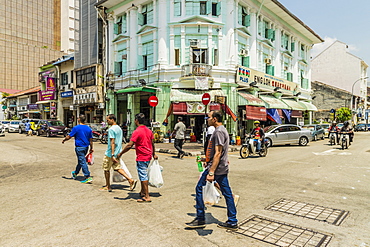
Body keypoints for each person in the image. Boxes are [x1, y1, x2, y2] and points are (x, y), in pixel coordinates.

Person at [186, 110, 238, 230]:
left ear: (214, 119)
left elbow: (218, 153)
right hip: (220, 167)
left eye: (208, 117)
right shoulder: (220, 130)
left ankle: (200, 219)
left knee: (199, 188)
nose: (206, 119)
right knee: (228, 194)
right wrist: (206, 158)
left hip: (217, 168)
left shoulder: (219, 132)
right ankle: (232, 221)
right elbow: (217, 152)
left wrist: (211, 172)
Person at [118, 113, 158, 203]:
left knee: (143, 176)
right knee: (143, 174)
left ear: (136, 121)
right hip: (148, 156)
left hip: (142, 156)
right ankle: (143, 192)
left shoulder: (137, 131)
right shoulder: (149, 131)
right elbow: (152, 143)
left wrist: (121, 153)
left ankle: (146, 196)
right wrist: (153, 154)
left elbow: (129, 145)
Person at [100, 114, 137, 192]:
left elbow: (112, 142)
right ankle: (130, 180)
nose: (107, 122)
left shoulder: (111, 129)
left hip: (110, 153)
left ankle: (108, 186)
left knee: (106, 169)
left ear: (112, 119)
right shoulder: (119, 128)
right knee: (117, 167)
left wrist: (112, 154)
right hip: (118, 152)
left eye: (108, 120)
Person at [62, 114, 94, 184]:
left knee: (82, 161)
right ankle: (75, 173)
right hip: (86, 147)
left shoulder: (76, 128)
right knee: (81, 160)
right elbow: (91, 139)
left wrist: (64, 140)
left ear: (79, 119)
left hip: (79, 147)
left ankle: (87, 176)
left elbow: (69, 136)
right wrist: (91, 148)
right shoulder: (88, 128)